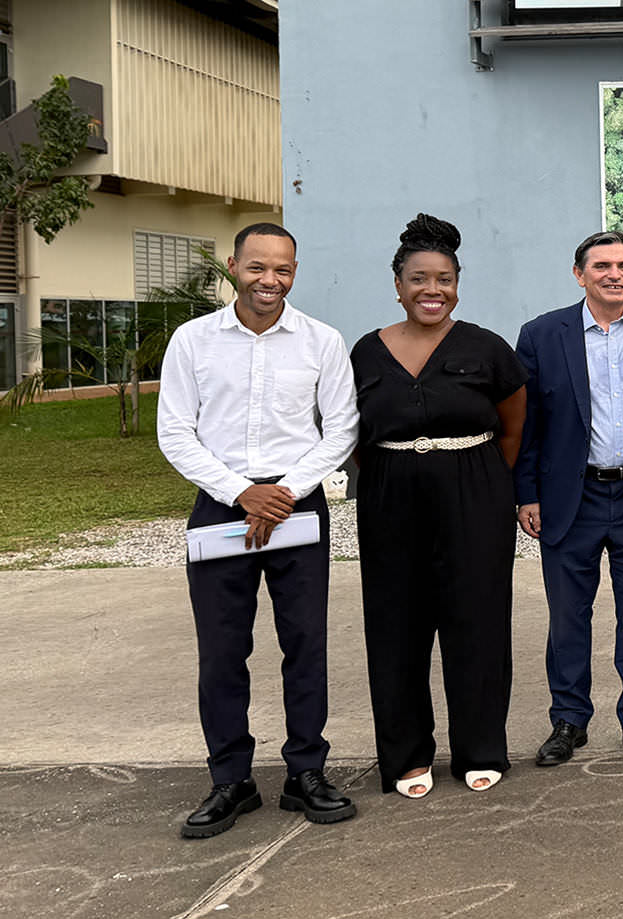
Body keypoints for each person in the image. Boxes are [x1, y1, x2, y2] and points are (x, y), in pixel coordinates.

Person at [157, 222, 360, 838]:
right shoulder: (193, 341)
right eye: (258, 267)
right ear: (233, 266)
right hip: (222, 506)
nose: (270, 280)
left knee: (306, 643)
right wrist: (241, 493)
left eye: (283, 270)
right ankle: (231, 780)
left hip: (296, 508)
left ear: (294, 272)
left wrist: (283, 494)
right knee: (222, 650)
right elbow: (175, 431)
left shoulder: (322, 342)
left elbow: (342, 429)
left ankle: (306, 773)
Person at [350, 214, 527, 796]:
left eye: (444, 279)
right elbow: (350, 432)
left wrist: (481, 483)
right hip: (389, 497)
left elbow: (513, 428)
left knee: (475, 620)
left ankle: (480, 748)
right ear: (397, 284)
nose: (433, 290)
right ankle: (406, 755)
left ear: (458, 284)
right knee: (396, 624)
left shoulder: (487, 348)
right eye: (419, 279)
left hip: (474, 492)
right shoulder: (366, 353)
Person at [514, 230, 623, 764]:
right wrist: (526, 493)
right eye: (601, 266)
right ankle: (569, 720)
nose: (614, 274)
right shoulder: (542, 334)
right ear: (579, 274)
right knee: (569, 616)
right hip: (572, 498)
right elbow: (529, 425)